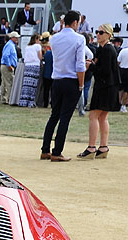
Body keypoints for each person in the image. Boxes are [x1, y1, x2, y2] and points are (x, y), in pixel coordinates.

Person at [40, 11, 85, 162]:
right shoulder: (79, 39)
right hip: (71, 80)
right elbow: (80, 65)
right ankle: (57, 152)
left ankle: (45, 150)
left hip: (57, 80)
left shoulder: (54, 38)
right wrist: (81, 84)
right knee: (65, 118)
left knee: (54, 116)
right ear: (75, 23)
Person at [78, 24, 120, 159]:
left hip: (105, 86)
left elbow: (104, 71)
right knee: (102, 117)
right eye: (97, 32)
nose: (98, 34)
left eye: (101, 32)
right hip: (108, 86)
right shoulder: (103, 49)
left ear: (109, 35)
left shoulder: (107, 49)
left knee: (94, 116)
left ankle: (92, 147)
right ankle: (103, 147)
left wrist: (91, 66)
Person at [18, 33, 42, 107]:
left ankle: (23, 100)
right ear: (36, 39)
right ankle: (30, 101)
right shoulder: (37, 46)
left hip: (27, 66)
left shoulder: (27, 47)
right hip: (35, 65)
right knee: (33, 85)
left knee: (26, 84)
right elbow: (40, 56)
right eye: (39, 39)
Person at [0, 31, 19, 104]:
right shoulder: (10, 45)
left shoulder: (10, 44)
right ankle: (9, 98)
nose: (17, 39)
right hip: (7, 66)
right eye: (16, 37)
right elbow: (5, 56)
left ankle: (4, 98)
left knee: (4, 82)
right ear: (12, 38)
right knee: (9, 83)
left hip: (5, 65)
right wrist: (9, 65)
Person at [38, 35, 53, 107]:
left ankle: (45, 103)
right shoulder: (55, 54)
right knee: (53, 90)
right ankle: (52, 103)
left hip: (46, 74)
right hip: (53, 74)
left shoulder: (47, 54)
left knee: (46, 90)